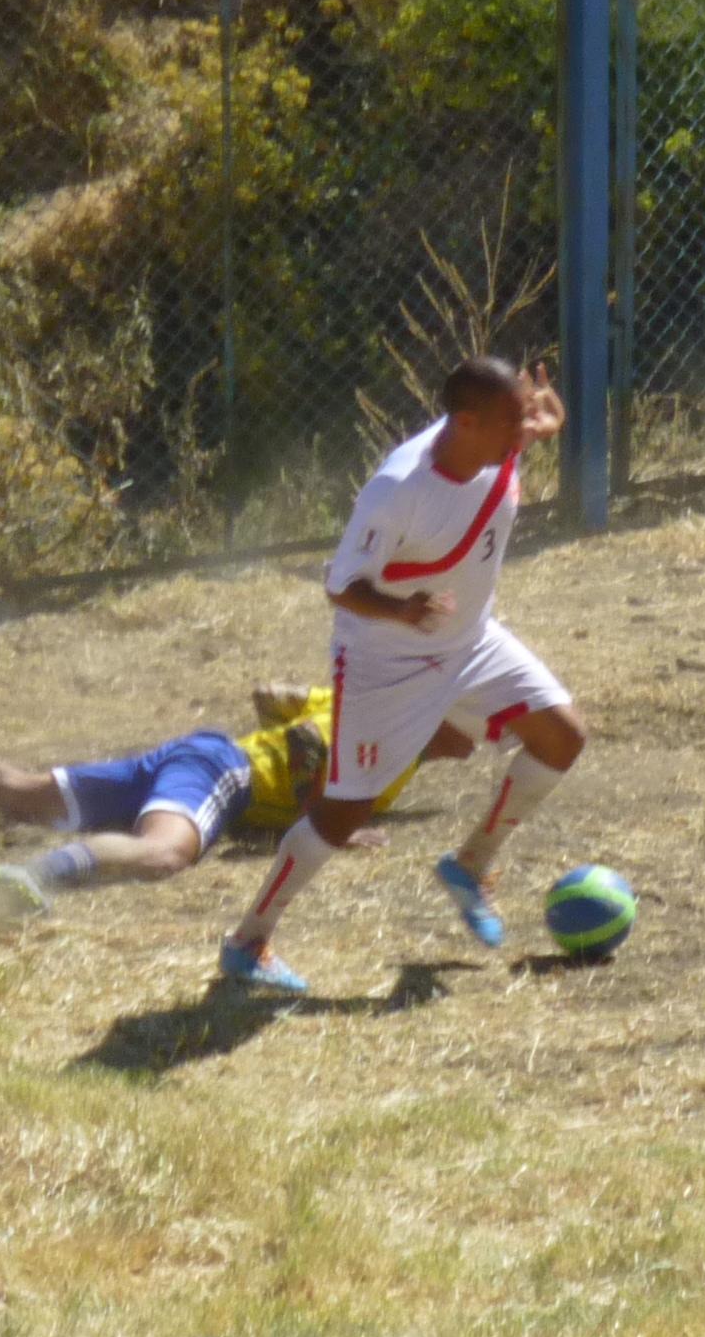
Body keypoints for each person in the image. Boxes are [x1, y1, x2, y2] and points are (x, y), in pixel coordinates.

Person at [217, 353, 591, 998]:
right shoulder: (399, 491)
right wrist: (403, 611)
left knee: (563, 736)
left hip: (470, 641)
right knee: (343, 812)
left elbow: (531, 427)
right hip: (386, 661)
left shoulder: (498, 437)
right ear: (468, 422)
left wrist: (546, 417)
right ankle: (250, 938)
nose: (523, 430)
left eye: (525, 416)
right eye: (514, 420)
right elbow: (339, 587)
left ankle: (471, 865)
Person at [0, 689, 373, 906]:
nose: (470, 742)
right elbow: (304, 741)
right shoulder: (389, 730)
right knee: (164, 853)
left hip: (193, 756)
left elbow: (273, 696)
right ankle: (37, 873)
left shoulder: (353, 690)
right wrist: (330, 821)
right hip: (225, 769)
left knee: (22, 796)